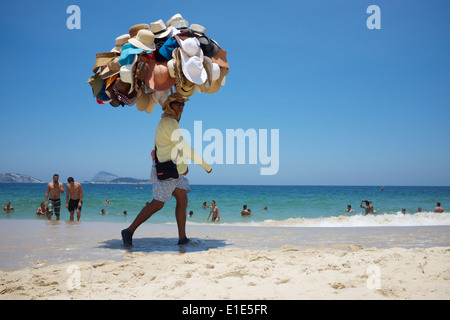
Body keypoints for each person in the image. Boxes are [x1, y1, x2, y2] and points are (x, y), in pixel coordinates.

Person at [121, 93, 212, 246]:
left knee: (182, 199)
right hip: (167, 171)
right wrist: (205, 165)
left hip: (173, 170)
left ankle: (182, 238)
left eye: (183, 104)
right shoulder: (169, 123)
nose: (181, 107)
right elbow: (184, 147)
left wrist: (183, 167)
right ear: (169, 105)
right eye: (177, 104)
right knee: (158, 204)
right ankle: (129, 231)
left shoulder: (170, 122)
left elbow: (174, 148)